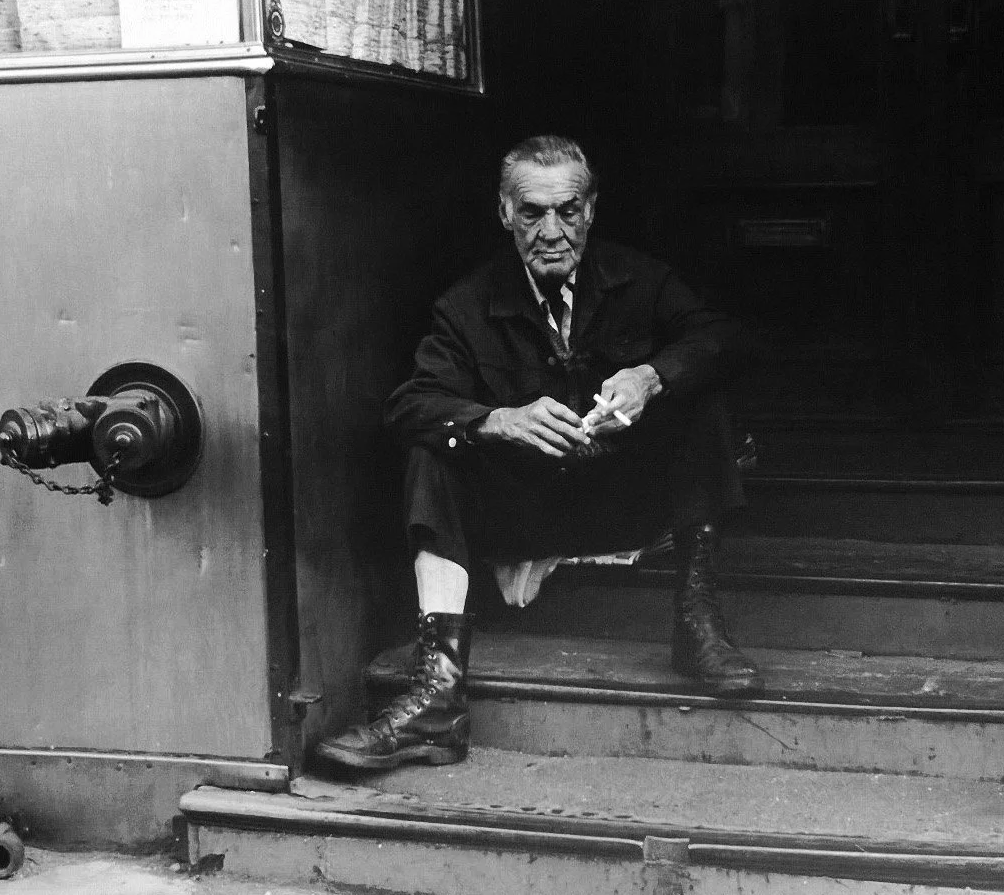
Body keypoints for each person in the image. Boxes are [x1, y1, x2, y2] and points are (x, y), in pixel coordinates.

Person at [315, 135, 762, 771]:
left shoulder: (643, 280)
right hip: (523, 509)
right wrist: (494, 421)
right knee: (433, 448)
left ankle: (696, 626)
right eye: (532, 213)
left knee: (700, 400)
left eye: (568, 210)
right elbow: (411, 402)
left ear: (592, 209)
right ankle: (439, 697)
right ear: (505, 213)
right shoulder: (466, 305)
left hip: (627, 503)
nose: (551, 231)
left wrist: (650, 377)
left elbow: (725, 337)